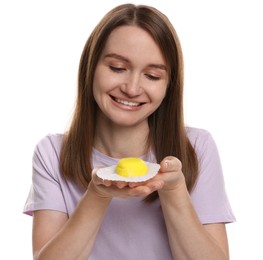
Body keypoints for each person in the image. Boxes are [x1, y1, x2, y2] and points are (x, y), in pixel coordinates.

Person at [23, 3, 235, 259]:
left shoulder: (196, 148)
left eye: (153, 76)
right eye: (117, 68)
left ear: (169, 86)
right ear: (90, 68)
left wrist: (174, 190)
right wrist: (98, 193)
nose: (132, 89)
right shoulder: (52, 154)